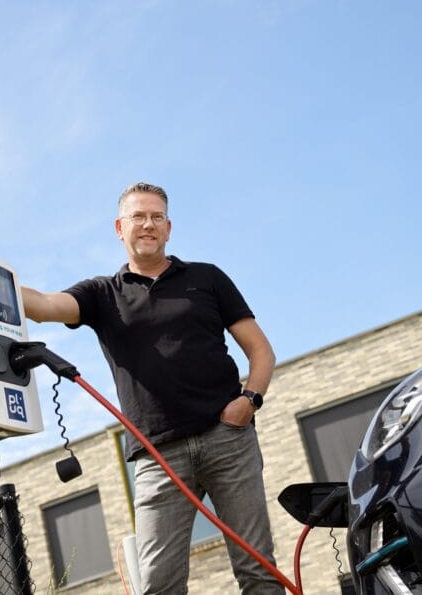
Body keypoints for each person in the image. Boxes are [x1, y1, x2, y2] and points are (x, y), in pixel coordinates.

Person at [21, 182, 283, 594]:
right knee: (158, 584)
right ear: (119, 227)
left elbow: (261, 351)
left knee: (257, 569)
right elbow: (43, 306)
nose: (148, 224)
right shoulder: (101, 294)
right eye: (138, 217)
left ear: (169, 227)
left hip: (227, 437)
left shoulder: (207, 278)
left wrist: (248, 403)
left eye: (156, 217)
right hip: (157, 456)